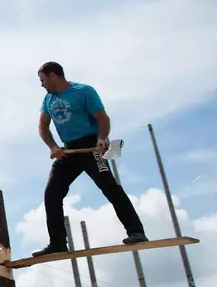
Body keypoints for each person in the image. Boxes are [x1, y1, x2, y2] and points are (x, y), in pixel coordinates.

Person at [35, 62, 147, 256]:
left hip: (90, 146)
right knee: (52, 193)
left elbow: (103, 118)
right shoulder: (48, 99)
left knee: (109, 186)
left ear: (53, 75)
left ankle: (136, 231)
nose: (42, 85)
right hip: (68, 152)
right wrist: (53, 147)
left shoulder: (84, 91)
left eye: (43, 80)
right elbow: (42, 126)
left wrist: (102, 139)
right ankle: (58, 243)